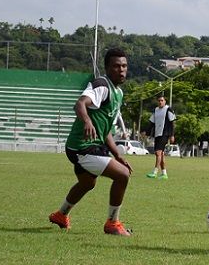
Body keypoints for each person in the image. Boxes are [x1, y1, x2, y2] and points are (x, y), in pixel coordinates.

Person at [48, 48, 133, 236]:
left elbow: (106, 131)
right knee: (123, 175)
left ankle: (61, 215)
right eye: (116, 66)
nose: (121, 70)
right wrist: (86, 120)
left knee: (87, 183)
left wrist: (118, 154)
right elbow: (80, 103)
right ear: (108, 68)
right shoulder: (101, 84)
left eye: (124, 66)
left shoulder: (117, 93)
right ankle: (112, 223)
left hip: (92, 146)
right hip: (82, 147)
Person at [146, 95, 176, 180]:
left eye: (162, 100)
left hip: (165, 134)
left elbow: (172, 123)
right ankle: (164, 173)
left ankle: (154, 172)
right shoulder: (155, 110)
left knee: (158, 153)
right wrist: (147, 133)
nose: (160, 102)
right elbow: (151, 123)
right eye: (159, 100)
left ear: (165, 101)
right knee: (161, 154)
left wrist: (172, 135)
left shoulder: (168, 109)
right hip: (157, 134)